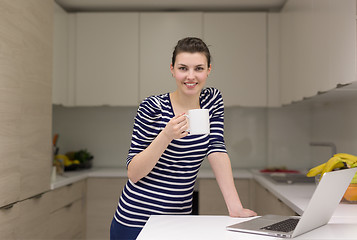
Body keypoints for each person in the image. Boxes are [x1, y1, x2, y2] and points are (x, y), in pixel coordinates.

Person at [110, 37, 257, 240]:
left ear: (208, 70)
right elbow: (134, 173)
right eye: (183, 68)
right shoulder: (152, 107)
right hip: (137, 221)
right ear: (172, 69)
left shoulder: (211, 100)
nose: (190, 76)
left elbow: (216, 148)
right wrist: (166, 136)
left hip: (179, 220)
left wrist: (236, 208)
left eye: (198, 68)